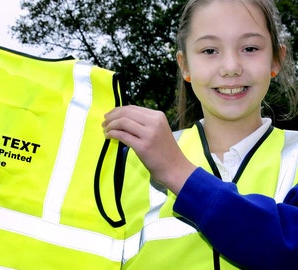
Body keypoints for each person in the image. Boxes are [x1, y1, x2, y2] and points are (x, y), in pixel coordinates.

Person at [103, 0, 298, 269]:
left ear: (276, 59)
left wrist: (176, 171)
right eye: (209, 50)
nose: (230, 67)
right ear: (185, 65)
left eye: (250, 48)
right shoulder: (126, 163)